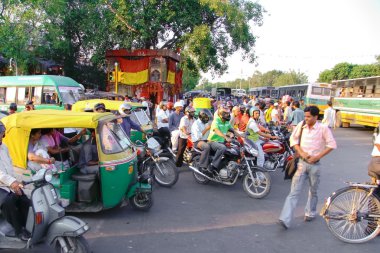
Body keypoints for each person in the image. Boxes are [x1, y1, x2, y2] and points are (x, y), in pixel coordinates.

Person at [278, 106, 337, 229]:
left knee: (313, 191)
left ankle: (310, 212)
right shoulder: (301, 125)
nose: (306, 119)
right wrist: (301, 152)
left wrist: (318, 156)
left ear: (316, 117)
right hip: (301, 164)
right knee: (294, 192)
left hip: (315, 165)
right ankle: (285, 218)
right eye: (305, 116)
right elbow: (293, 140)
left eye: (309, 117)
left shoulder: (323, 128)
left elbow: (332, 145)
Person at [0, 122, 31, 241]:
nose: (2, 137)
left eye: (2, 134)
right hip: (2, 186)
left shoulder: (4, 147)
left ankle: (27, 227)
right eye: (0, 134)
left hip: (7, 184)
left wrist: (18, 182)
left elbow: (9, 167)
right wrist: (12, 182)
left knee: (25, 200)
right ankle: (18, 231)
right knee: (9, 202)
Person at [207, 106, 240, 172]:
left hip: (222, 141)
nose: (228, 115)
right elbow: (216, 130)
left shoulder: (226, 122)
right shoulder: (216, 121)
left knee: (235, 148)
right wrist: (226, 137)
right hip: (213, 141)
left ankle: (228, 166)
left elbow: (233, 130)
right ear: (221, 114)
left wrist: (242, 136)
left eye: (228, 113)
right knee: (222, 148)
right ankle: (212, 165)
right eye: (226, 114)